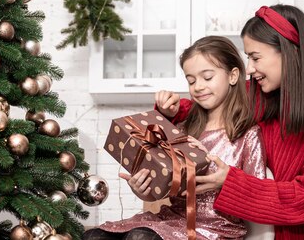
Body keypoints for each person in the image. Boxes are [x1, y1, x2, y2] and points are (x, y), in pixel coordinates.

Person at [156, 4, 304, 240]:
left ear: (290, 52)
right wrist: (173, 110)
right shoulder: (259, 95)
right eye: (248, 57)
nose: (249, 68)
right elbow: (211, 102)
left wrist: (230, 183)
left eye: (255, 57)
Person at [84, 36, 267, 240]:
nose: (198, 86)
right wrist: (144, 190)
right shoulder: (181, 129)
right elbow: (165, 188)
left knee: (141, 238)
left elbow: (258, 198)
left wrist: (222, 178)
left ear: (233, 76)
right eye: (191, 80)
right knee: (94, 236)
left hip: (217, 230)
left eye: (207, 77)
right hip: (172, 220)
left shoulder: (248, 135)